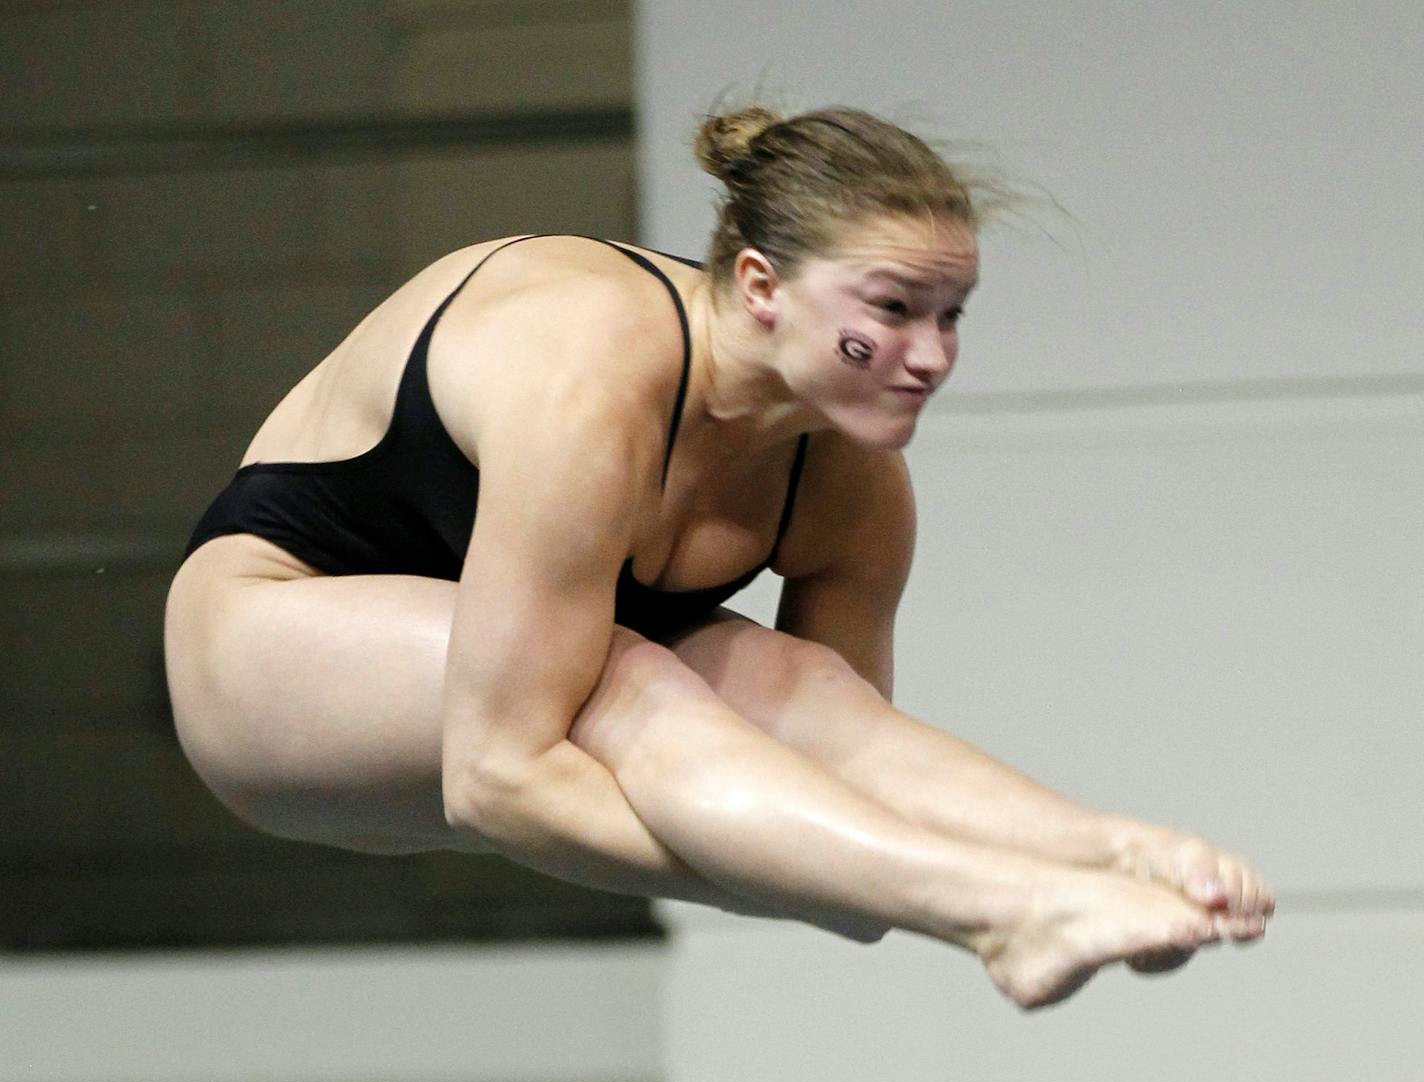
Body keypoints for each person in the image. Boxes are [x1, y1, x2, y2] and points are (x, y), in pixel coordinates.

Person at [164, 104, 1272, 1010]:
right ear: (757, 286)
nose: (929, 355)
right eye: (890, 310)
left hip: (493, 689)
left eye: (950, 315)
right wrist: (881, 889)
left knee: (793, 689)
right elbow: (498, 778)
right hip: (266, 657)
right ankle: (1005, 913)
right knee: (630, 680)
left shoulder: (850, 482)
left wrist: (1091, 854)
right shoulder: (589, 375)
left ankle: (1094, 863)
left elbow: (832, 755)